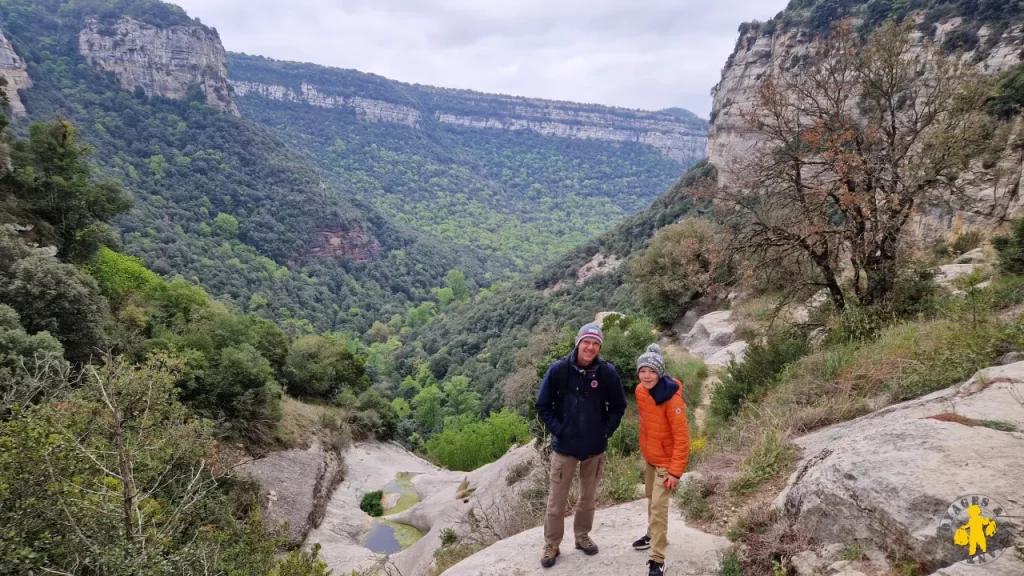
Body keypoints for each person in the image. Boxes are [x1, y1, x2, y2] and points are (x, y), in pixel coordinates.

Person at [535, 322, 627, 568]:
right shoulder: (559, 370)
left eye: (595, 343)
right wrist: (559, 430)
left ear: (599, 347)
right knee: (556, 500)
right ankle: (552, 543)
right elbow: (542, 405)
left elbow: (618, 407)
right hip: (564, 448)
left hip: (594, 449)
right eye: (586, 342)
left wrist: (604, 432)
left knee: (588, 498)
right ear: (578, 343)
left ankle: (582, 536)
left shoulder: (607, 373)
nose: (590, 347)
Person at [631, 344, 689, 576]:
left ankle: (657, 559)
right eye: (643, 370)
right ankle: (652, 534)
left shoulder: (673, 402)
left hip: (666, 463)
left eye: (652, 371)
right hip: (651, 458)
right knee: (650, 500)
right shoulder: (640, 391)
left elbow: (682, 439)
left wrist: (675, 472)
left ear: (660, 373)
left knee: (659, 507)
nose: (647, 376)